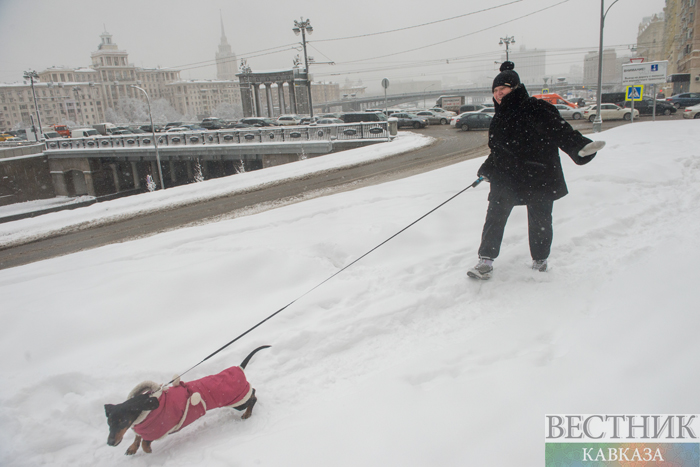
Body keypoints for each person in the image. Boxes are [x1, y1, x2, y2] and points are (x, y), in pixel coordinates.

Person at [468, 61, 605, 280]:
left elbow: (561, 131)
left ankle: (540, 260)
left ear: (515, 88)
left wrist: (580, 148)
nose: (498, 93)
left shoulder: (538, 108)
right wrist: (487, 169)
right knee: (495, 216)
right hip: (507, 177)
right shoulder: (498, 118)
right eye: (494, 90)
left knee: (540, 219)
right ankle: (485, 260)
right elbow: (497, 151)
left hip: (538, 173)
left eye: (502, 88)